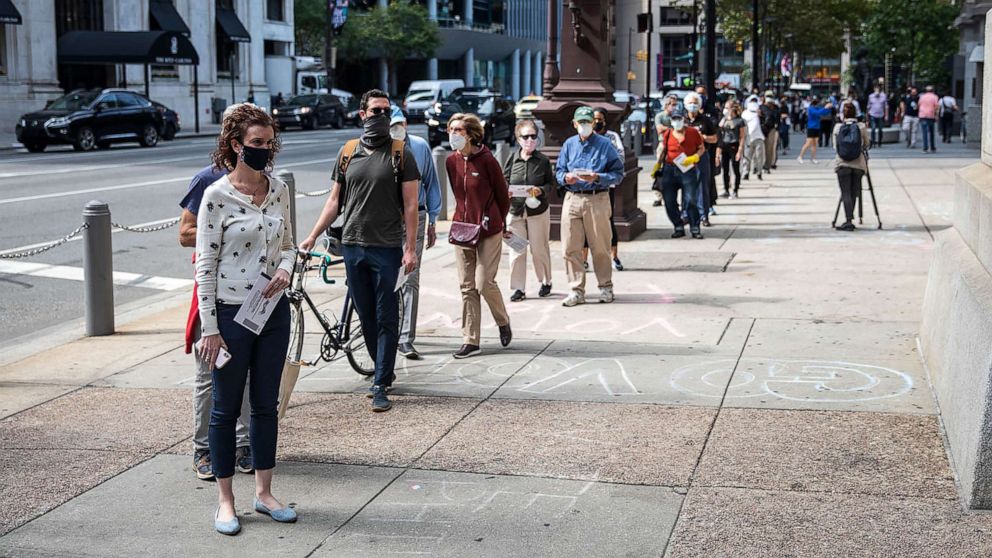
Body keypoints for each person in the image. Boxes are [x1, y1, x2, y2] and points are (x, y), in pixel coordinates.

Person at [195, 103, 297, 535]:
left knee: (266, 404)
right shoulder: (216, 196)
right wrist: (211, 328)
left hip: (272, 311)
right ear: (235, 145)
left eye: (269, 143)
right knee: (224, 407)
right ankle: (225, 501)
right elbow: (205, 265)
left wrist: (286, 269)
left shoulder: (278, 190)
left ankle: (265, 492)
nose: (264, 150)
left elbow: (290, 244)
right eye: (256, 143)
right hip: (232, 315)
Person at [299, 89, 421, 411]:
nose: (380, 116)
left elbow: (411, 206)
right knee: (366, 315)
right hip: (352, 246)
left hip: (387, 248)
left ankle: (380, 382)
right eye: (375, 110)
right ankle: (383, 366)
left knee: (386, 315)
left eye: (386, 111)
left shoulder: (400, 153)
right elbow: (334, 201)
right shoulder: (348, 151)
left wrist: (410, 248)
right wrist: (312, 235)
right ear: (362, 114)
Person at [178, 104, 253, 483]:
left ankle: (242, 444)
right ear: (232, 139)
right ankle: (203, 448)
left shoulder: (263, 179)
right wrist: (221, 234)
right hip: (212, 289)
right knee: (210, 371)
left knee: (245, 375)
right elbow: (185, 233)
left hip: (252, 293)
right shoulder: (207, 180)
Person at [446, 113, 513, 357]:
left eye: (459, 130)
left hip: (488, 228)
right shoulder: (451, 161)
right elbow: (458, 193)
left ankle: (502, 321)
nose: (453, 134)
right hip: (462, 229)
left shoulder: (487, 161)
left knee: (483, 283)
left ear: (471, 134)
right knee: (467, 287)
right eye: (451, 129)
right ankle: (470, 339)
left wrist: (498, 220)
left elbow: (503, 197)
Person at [555, 106, 625, 306]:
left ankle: (605, 287)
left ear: (593, 124)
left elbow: (618, 174)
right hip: (573, 196)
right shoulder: (569, 144)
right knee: (570, 246)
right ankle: (576, 289)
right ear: (574, 124)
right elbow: (559, 169)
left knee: (600, 246)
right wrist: (564, 177)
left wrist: (597, 177)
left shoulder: (605, 144)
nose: (584, 126)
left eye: (588, 122)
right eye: (581, 122)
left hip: (597, 197)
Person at [388, 106, 441, 361]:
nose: (396, 129)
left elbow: (431, 182)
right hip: (387, 218)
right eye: (391, 124)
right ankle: (390, 331)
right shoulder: (381, 147)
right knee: (388, 277)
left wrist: (433, 219)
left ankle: (406, 338)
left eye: (399, 124)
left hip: (416, 216)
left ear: (406, 124)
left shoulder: (419, 146)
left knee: (410, 276)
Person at [503, 119, 555, 302]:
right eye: (526, 136)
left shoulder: (542, 161)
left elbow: (551, 184)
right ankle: (518, 288)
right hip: (515, 211)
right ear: (518, 139)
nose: (530, 140)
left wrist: (540, 190)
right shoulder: (512, 158)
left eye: (533, 136)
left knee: (539, 249)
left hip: (537, 211)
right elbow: (504, 180)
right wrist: (506, 191)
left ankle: (546, 281)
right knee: (517, 250)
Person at [657, 106, 706, 239]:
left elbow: (701, 148)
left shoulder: (693, 132)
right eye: (674, 119)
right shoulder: (667, 133)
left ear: (684, 119)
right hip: (669, 169)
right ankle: (678, 225)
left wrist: (695, 157)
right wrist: (658, 166)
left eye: (679, 118)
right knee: (669, 201)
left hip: (688, 169)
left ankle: (695, 227)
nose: (676, 121)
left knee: (690, 200)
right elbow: (664, 150)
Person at [586, 108, 625, 270]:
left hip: (606, 185)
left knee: (607, 220)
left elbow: (619, 158)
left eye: (599, 119)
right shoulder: (586, 137)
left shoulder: (611, 137)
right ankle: (584, 258)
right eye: (593, 119)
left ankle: (614, 256)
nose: (596, 122)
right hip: (586, 186)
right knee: (586, 223)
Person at [832, 103, 871, 231]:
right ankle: (851, 218)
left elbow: (835, 147)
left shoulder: (838, 127)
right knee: (854, 192)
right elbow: (866, 144)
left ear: (843, 114)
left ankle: (848, 219)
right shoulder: (861, 127)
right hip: (858, 164)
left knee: (845, 192)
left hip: (842, 164)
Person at [684, 92, 717, 226]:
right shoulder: (682, 120)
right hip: (686, 156)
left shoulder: (705, 120)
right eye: (690, 103)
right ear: (686, 105)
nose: (693, 106)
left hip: (702, 155)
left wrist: (702, 137)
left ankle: (704, 215)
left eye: (695, 103)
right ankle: (686, 214)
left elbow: (714, 138)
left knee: (702, 186)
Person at [651, 96, 678, 207]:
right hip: (663, 144)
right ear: (666, 105)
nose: (674, 106)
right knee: (659, 170)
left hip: (675, 145)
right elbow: (659, 129)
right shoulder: (660, 116)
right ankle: (658, 196)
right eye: (672, 104)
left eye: (675, 104)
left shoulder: (677, 116)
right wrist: (672, 128)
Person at [717, 101, 746, 198]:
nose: (725, 109)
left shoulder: (740, 121)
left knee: (735, 168)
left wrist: (740, 150)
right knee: (725, 169)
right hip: (725, 145)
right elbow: (720, 128)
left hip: (734, 145)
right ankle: (726, 189)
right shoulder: (724, 119)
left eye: (727, 107)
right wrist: (725, 118)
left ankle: (735, 190)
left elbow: (742, 136)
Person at [798, 97, 830, 164]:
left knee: (815, 144)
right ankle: (800, 157)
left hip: (817, 128)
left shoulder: (817, 108)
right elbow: (817, 113)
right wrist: (825, 108)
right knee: (808, 143)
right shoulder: (810, 109)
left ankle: (814, 158)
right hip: (811, 127)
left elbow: (824, 112)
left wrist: (828, 108)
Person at [741, 96, 765, 179]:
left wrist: (761, 115)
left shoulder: (760, 114)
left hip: (758, 137)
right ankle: (746, 172)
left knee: (759, 156)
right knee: (747, 156)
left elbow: (765, 123)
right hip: (748, 138)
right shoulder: (744, 114)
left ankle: (759, 172)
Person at [760, 92, 780, 171]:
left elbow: (777, 118)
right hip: (762, 129)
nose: (769, 98)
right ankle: (759, 164)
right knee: (762, 148)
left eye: (770, 96)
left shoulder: (775, 108)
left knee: (771, 148)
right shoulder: (761, 107)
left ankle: (768, 165)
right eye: (768, 96)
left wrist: (772, 106)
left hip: (772, 129)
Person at [918, 85, 940, 154]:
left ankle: (925, 148)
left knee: (924, 132)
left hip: (922, 115)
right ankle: (932, 147)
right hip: (931, 115)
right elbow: (937, 106)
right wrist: (936, 115)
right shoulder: (935, 97)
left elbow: (919, 104)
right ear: (933, 90)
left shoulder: (922, 97)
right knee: (931, 132)